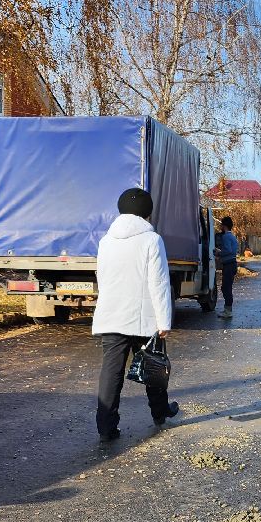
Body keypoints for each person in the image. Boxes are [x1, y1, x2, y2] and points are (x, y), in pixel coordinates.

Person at [91, 188, 178, 441]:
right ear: (147, 213)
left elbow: (102, 277)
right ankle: (160, 413)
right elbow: (159, 283)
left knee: (111, 371)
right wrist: (164, 321)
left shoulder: (106, 241)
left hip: (111, 315)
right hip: (144, 318)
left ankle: (106, 427)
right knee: (153, 365)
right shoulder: (152, 240)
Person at [215, 216, 240, 319]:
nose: (220, 226)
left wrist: (218, 253)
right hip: (232, 264)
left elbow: (228, 250)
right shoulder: (233, 237)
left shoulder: (225, 237)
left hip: (228, 265)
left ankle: (228, 311)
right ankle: (227, 310)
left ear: (224, 226)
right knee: (226, 287)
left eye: (221, 225)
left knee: (226, 288)